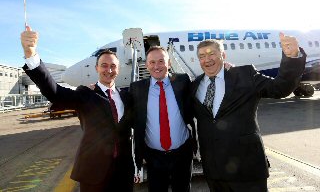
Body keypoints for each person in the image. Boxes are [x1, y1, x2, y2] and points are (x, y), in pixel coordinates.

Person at [20, 26, 134, 192]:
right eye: (104, 65)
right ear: (97, 68)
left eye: (113, 66)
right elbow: (55, 93)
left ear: (119, 69)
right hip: (94, 173)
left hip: (123, 172)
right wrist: (31, 55)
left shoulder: (127, 96)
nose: (108, 70)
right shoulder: (85, 94)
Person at [190, 33, 306, 192]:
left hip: (247, 168)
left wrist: (292, 57)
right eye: (202, 56)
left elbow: (280, 88)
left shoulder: (245, 75)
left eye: (212, 54)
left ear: (223, 55)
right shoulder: (195, 85)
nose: (207, 59)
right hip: (214, 171)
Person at [130, 46, 197, 192]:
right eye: (152, 62)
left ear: (169, 63)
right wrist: (97, 89)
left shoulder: (183, 81)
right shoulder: (136, 88)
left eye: (161, 61)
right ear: (147, 65)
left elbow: (203, 86)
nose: (156, 66)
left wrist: (227, 71)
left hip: (182, 154)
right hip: (154, 157)